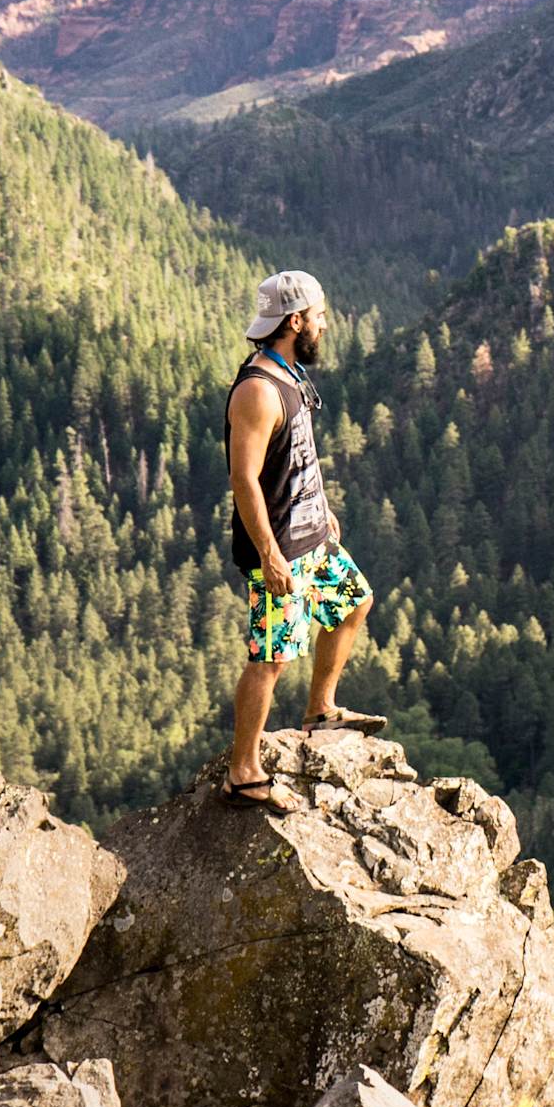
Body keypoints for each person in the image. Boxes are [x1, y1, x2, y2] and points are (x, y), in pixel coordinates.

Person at [222, 268, 381, 807]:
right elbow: (244, 478)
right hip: (282, 550)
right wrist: (268, 553)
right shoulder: (258, 391)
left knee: (354, 603)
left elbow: (296, 459)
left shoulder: (290, 375)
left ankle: (320, 709)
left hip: (312, 534)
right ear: (295, 322)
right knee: (270, 657)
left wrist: (324, 508)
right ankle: (242, 771)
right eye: (318, 317)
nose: (325, 325)